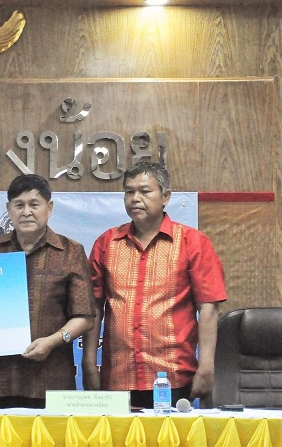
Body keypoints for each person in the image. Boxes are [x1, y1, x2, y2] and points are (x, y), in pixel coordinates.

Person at [82, 161, 227, 408]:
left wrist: (206, 367)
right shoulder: (106, 243)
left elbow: (209, 308)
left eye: (145, 191)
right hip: (118, 376)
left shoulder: (193, 242)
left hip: (174, 375)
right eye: (129, 192)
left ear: (166, 196)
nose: (135, 198)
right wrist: (88, 362)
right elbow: (94, 308)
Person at [0, 174, 95, 409]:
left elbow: (85, 317)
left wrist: (53, 341)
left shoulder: (70, 252)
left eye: (34, 204)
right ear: (9, 209)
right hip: (0, 381)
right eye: (19, 205)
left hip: (51, 381)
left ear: (49, 208)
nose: (26, 212)